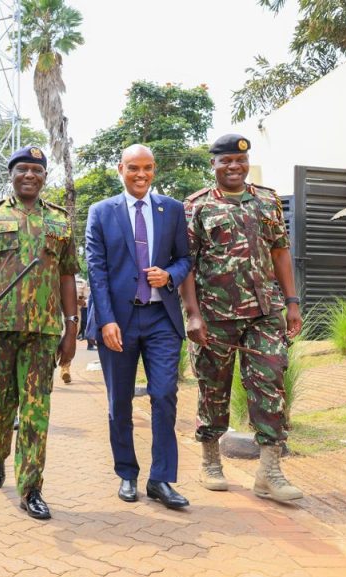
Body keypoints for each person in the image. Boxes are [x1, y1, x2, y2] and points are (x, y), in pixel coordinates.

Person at [180, 133, 304, 502]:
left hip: (264, 312)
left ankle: (269, 471)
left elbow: (280, 251)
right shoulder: (196, 206)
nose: (234, 167)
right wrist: (193, 315)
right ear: (214, 165)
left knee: (270, 383)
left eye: (240, 161)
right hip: (215, 317)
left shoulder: (267, 200)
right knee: (213, 389)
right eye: (226, 162)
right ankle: (210, 460)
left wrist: (292, 302)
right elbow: (186, 265)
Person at [0, 146, 78, 520]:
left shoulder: (59, 221)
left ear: (45, 176)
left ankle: (31, 488)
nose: (30, 175)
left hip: (43, 331)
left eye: (37, 170)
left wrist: (71, 328)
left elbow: (67, 276)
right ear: (10, 174)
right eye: (22, 169)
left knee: (35, 411)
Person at [86, 144, 192, 510]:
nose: (141, 175)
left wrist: (170, 275)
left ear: (154, 169)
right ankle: (127, 473)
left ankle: (161, 479)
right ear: (120, 169)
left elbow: (185, 259)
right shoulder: (101, 212)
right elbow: (96, 270)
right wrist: (106, 320)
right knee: (120, 401)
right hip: (119, 320)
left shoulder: (172, 210)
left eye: (147, 168)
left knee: (164, 394)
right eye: (133, 168)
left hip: (161, 317)